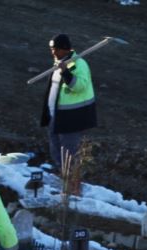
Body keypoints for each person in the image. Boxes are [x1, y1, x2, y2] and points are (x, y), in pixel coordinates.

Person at [39, 33, 97, 192]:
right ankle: (63, 178)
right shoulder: (59, 63)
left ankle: (73, 188)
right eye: (51, 49)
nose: (53, 52)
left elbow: (79, 87)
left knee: (69, 154)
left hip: (71, 118)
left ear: (65, 49)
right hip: (55, 116)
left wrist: (65, 72)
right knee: (56, 150)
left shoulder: (79, 64)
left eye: (56, 49)